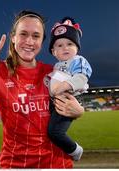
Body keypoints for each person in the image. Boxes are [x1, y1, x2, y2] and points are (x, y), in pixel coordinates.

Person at [0, 10, 84, 168]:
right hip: (15, 164)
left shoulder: (53, 72)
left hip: (57, 163)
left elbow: (71, 105)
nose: (29, 41)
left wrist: (79, 111)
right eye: (23, 34)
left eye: (36, 36)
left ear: (42, 42)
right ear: (13, 37)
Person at [47, 17, 92, 161]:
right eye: (59, 45)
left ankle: (75, 151)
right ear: (54, 52)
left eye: (69, 44)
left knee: (55, 132)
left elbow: (81, 77)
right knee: (49, 128)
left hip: (68, 101)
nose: (65, 47)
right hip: (57, 100)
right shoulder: (57, 66)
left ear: (77, 47)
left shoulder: (78, 60)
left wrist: (62, 87)